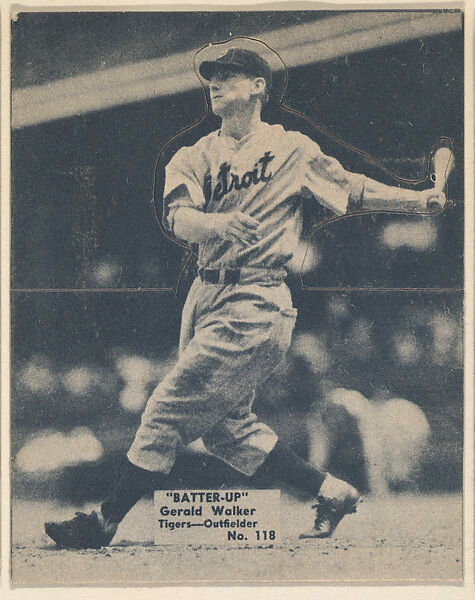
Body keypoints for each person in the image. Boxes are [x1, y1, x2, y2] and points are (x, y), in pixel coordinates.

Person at [45, 45, 447, 549]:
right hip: (205, 296)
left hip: (257, 296)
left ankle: (103, 522)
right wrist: (218, 222)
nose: (215, 83)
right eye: (211, 77)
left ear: (259, 86)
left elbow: (354, 189)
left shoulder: (292, 149)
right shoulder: (191, 156)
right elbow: (179, 219)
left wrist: (418, 199)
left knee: (166, 406)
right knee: (226, 430)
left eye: (229, 75)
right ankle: (333, 491)